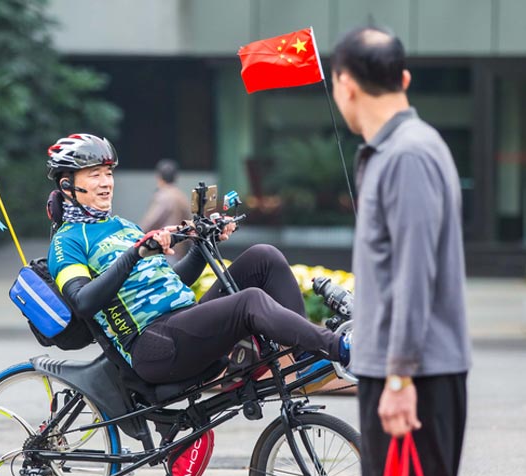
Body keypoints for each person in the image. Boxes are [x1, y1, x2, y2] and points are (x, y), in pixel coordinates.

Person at [331, 27, 474, 476]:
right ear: (404, 79)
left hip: (413, 374)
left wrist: (398, 377)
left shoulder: (408, 155)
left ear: (345, 85)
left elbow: (415, 274)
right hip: (404, 369)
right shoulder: (396, 150)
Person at [44, 133, 349, 387]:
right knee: (249, 301)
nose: (106, 182)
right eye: (94, 175)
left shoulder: (124, 226)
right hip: (153, 346)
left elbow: (175, 281)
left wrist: (203, 243)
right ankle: (339, 347)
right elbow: (83, 302)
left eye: (108, 173)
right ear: (67, 186)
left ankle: (305, 357)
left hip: (182, 323)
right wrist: (134, 254)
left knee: (262, 257)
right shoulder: (67, 241)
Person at [140, 159, 192, 260]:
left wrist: (136, 234)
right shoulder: (181, 196)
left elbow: (150, 222)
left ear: (159, 177)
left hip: (163, 248)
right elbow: (188, 224)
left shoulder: (162, 196)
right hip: (178, 250)